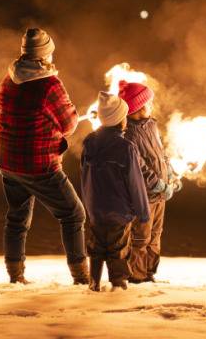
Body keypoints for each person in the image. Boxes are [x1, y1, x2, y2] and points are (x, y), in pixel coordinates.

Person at [0, 28, 89, 285]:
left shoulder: (8, 79)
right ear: (45, 55)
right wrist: (73, 112)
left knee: (17, 218)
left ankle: (15, 275)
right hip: (39, 164)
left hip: (9, 162)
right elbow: (69, 124)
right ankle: (81, 276)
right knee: (73, 214)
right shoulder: (49, 84)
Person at [81, 92, 150, 291]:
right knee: (118, 249)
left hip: (95, 209)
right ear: (119, 120)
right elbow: (135, 181)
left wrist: (89, 203)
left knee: (96, 247)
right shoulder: (126, 147)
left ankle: (94, 283)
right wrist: (143, 211)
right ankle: (118, 286)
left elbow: (84, 176)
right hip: (119, 211)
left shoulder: (89, 142)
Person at [118, 80, 178, 284]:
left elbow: (161, 155)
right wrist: (156, 183)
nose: (151, 106)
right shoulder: (128, 133)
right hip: (142, 197)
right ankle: (136, 274)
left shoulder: (151, 125)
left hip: (159, 195)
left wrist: (170, 175)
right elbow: (139, 166)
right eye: (148, 103)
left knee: (155, 234)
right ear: (137, 107)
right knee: (140, 237)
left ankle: (150, 272)